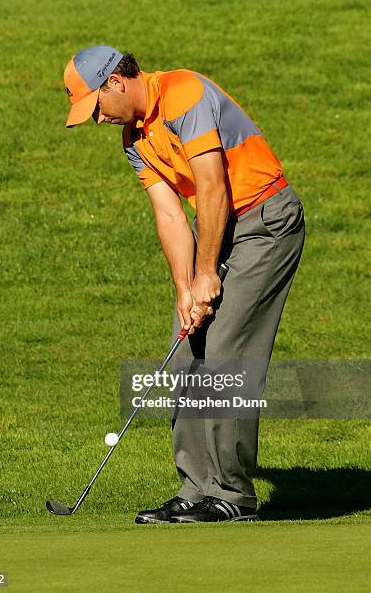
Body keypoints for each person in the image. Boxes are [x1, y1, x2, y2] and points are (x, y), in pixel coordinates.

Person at [63, 45, 305, 523]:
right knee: (186, 347)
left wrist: (206, 271)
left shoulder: (182, 93)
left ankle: (232, 496)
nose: (97, 119)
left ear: (115, 82)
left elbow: (212, 186)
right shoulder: (134, 140)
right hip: (218, 227)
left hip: (267, 219)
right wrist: (184, 287)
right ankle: (196, 489)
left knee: (225, 351)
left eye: (95, 107)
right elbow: (170, 214)